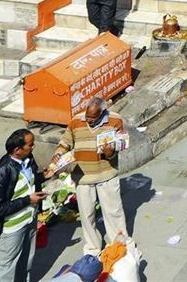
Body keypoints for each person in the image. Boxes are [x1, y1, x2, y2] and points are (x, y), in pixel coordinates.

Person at [46, 96, 127, 254]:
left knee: (113, 212)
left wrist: (111, 151)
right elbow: (65, 142)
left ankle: (118, 244)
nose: (88, 120)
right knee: (87, 214)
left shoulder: (115, 120)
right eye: (87, 116)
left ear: (102, 112)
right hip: (82, 176)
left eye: (93, 117)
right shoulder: (76, 121)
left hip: (107, 174)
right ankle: (93, 248)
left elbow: (122, 142)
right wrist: (59, 153)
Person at [0, 128, 44, 282]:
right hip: (13, 227)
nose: (33, 147)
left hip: (29, 220)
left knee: (26, 260)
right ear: (17, 150)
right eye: (30, 145)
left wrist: (44, 176)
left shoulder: (28, 159)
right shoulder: (2, 173)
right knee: (7, 266)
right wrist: (28, 200)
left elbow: (29, 184)